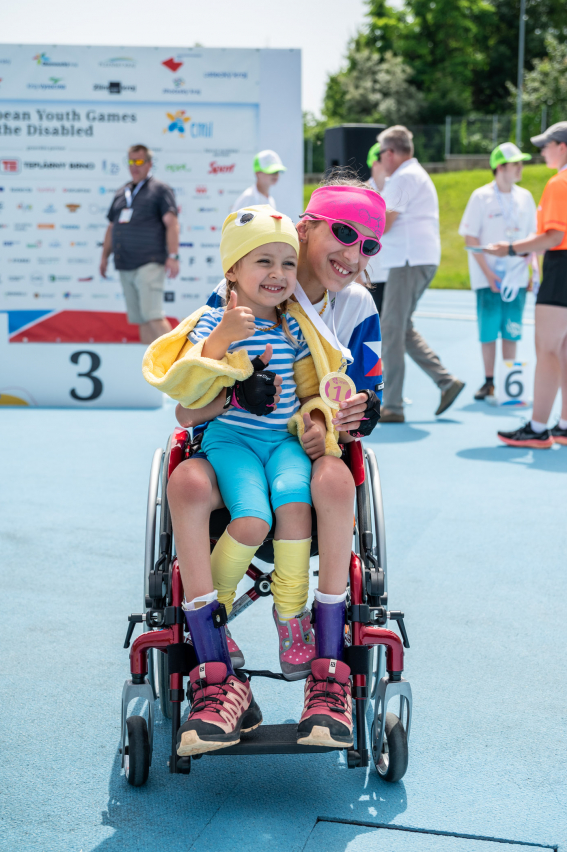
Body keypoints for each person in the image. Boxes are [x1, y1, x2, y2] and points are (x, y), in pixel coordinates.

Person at [145, 181, 386, 754]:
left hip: (304, 452)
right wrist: (233, 392)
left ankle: (325, 669)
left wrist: (339, 417)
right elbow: (189, 397)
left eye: (369, 244)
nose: (353, 253)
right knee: (184, 480)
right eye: (343, 232)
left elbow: (361, 395)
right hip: (228, 445)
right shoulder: (236, 291)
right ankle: (213, 661)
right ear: (306, 229)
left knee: (335, 478)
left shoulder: (357, 306)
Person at [484, 122, 567, 448]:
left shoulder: (559, 182)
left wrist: (510, 248)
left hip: (561, 268)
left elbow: (554, 236)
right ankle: (563, 425)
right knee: (563, 350)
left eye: (546, 145)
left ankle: (537, 428)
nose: (542, 152)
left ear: (562, 147)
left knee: (548, 349)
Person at [377, 125, 465, 422]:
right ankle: (445, 381)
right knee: (401, 328)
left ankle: (393, 405)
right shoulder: (413, 175)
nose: (379, 160)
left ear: (390, 152)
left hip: (408, 261)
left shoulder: (403, 178)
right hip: (416, 259)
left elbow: (385, 222)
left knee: (391, 328)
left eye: (381, 153)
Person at [459, 142, 536, 401]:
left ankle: (507, 382)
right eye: (516, 164)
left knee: (512, 330)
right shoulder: (481, 196)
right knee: (488, 332)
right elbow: (470, 237)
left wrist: (531, 272)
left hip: (517, 277)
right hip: (488, 278)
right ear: (500, 167)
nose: (521, 168)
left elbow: (533, 237)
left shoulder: (525, 197)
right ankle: (489, 381)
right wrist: (489, 274)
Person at [99, 144, 180, 344]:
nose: (134, 166)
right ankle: (149, 363)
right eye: (131, 161)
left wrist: (173, 256)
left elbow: (172, 223)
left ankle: (179, 361)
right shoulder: (122, 192)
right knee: (141, 319)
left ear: (149, 164)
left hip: (149, 262)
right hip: (125, 264)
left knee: (153, 315)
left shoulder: (159, 189)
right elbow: (111, 227)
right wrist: (104, 257)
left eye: (139, 161)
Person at [365, 143, 388, 314]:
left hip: (394, 271)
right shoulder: (362, 193)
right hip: (372, 274)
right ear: (375, 163)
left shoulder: (398, 190)